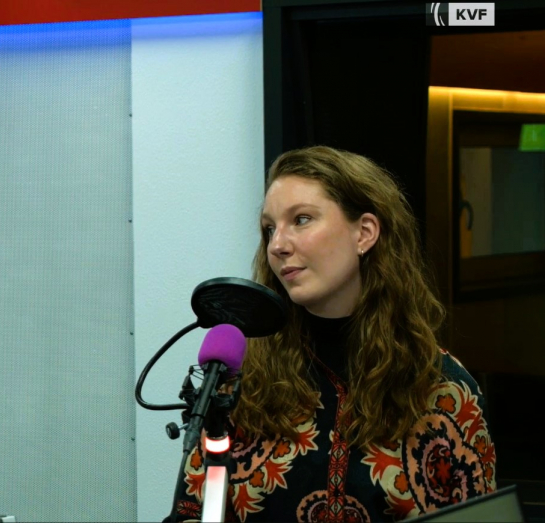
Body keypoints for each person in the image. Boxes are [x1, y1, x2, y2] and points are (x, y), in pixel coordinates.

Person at [167, 146, 496, 522]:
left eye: (301, 219)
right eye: (269, 228)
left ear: (365, 233)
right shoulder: (240, 386)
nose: (278, 245)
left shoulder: (445, 391)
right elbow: (191, 511)